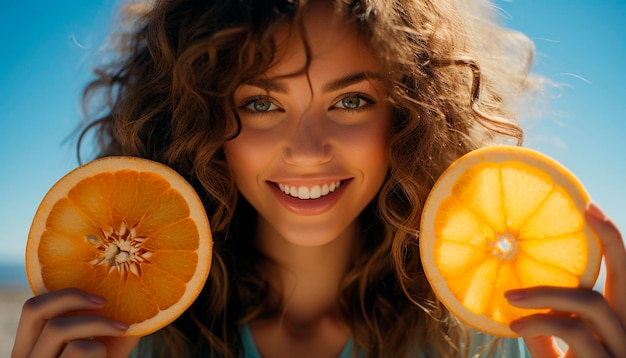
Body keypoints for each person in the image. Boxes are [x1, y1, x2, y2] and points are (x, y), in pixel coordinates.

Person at [12, 0, 626, 357]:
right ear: (195, 120)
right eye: (260, 103)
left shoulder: (489, 339)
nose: (307, 151)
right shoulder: (127, 341)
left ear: (410, 115)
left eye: (352, 101)